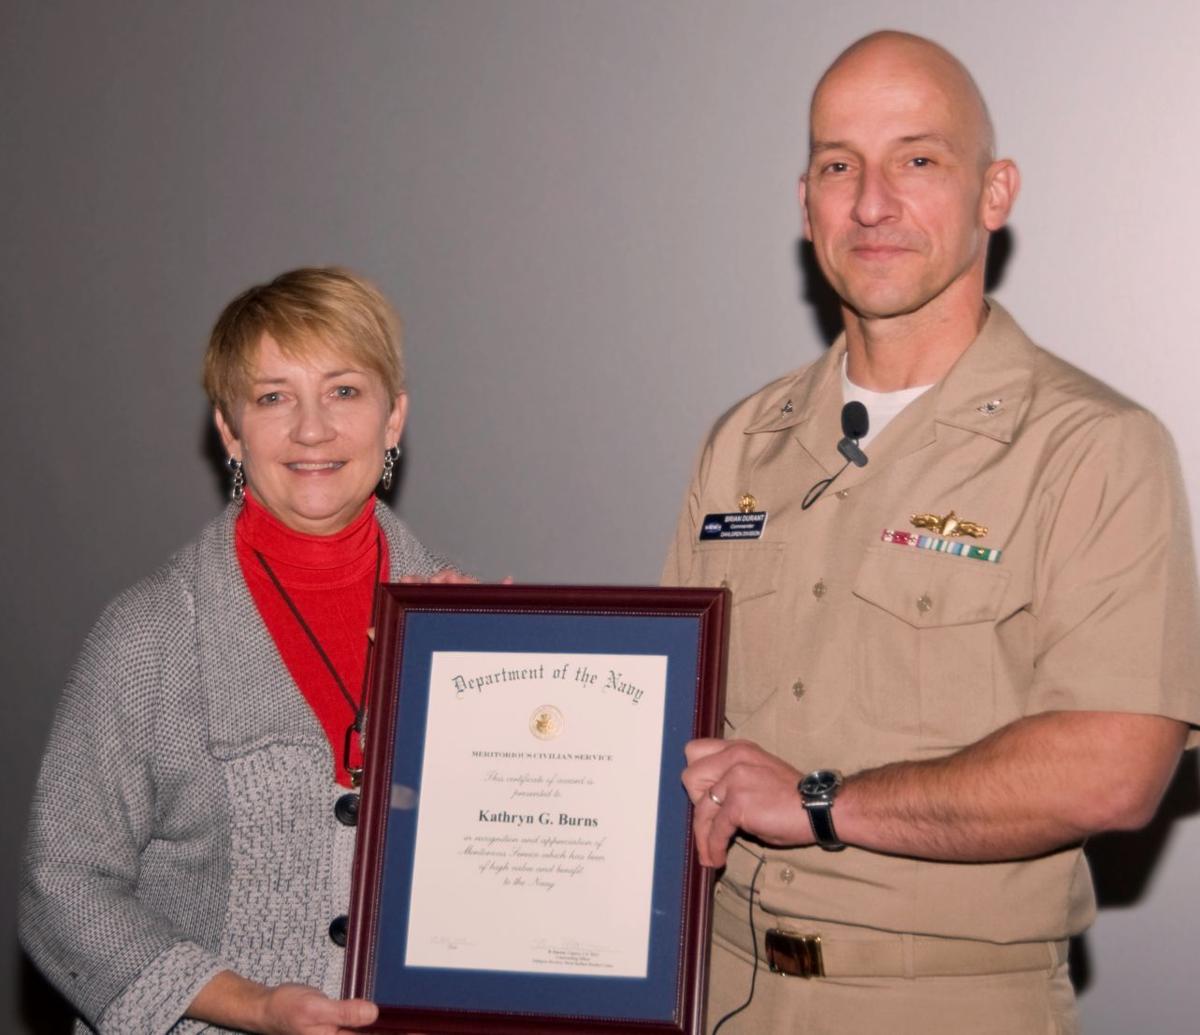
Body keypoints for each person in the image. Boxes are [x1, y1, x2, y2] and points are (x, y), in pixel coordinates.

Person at [667, 31, 1200, 1034]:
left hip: (943, 1004)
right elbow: (673, 718)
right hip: (719, 992)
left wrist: (823, 803)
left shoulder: (1092, 448)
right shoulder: (743, 442)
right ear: (805, 203)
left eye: (918, 159)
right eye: (839, 166)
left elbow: (1120, 767)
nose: (872, 202)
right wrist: (497, 670)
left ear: (994, 193)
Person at [20, 268, 453, 1034]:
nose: (312, 429)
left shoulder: (466, 632)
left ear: (395, 419)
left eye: (345, 391)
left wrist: (494, 694)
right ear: (229, 428)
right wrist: (250, 1004)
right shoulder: (147, 636)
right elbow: (65, 888)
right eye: (272, 396)